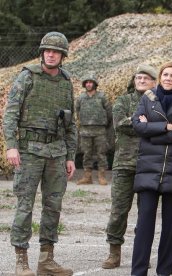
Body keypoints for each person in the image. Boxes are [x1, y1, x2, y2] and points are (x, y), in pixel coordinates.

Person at [3, 31, 77, 276]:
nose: (50, 54)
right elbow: (10, 113)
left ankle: (47, 259)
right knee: (25, 205)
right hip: (28, 151)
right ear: (42, 52)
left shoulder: (66, 82)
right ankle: (21, 261)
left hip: (56, 152)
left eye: (55, 51)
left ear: (63, 55)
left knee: (53, 205)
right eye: (47, 50)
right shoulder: (27, 77)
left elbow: (70, 123)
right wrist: (11, 145)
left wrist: (70, 155)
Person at [131, 61, 172, 276]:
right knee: (144, 223)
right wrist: (165, 127)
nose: (168, 78)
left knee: (171, 227)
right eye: (165, 74)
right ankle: (138, 271)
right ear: (160, 77)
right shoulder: (147, 98)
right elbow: (138, 126)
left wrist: (152, 133)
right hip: (149, 168)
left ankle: (164, 272)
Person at [101, 64, 157, 269]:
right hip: (124, 164)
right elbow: (119, 124)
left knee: (146, 213)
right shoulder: (123, 101)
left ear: (154, 82)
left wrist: (145, 123)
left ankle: (141, 254)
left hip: (149, 164)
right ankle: (114, 252)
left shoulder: (158, 102)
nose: (141, 81)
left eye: (146, 78)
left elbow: (162, 125)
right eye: (138, 78)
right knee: (118, 210)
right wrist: (145, 123)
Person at [75, 73, 112, 185]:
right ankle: (87, 177)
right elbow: (77, 112)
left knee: (101, 153)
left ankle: (101, 176)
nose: (88, 84)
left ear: (95, 84)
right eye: (87, 82)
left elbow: (109, 113)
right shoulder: (81, 98)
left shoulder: (102, 97)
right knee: (86, 154)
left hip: (100, 130)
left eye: (91, 82)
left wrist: (105, 124)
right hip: (85, 131)